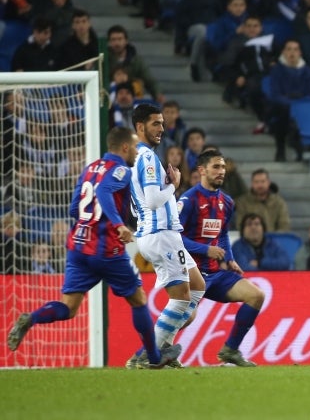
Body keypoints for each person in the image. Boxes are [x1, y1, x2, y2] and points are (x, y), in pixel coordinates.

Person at [6, 127, 181, 368]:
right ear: (125, 147)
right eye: (134, 150)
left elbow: (74, 208)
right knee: (139, 299)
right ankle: (153, 358)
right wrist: (118, 225)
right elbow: (104, 191)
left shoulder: (90, 169)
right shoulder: (121, 170)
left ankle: (31, 318)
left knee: (68, 307)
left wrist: (88, 226)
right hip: (107, 249)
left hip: (78, 247)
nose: (136, 156)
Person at [126, 104, 206, 368]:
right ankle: (149, 356)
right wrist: (174, 185)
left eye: (162, 123)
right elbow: (150, 200)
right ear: (140, 127)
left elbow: (134, 202)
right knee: (182, 297)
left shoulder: (137, 157)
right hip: (160, 233)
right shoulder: (146, 157)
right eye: (155, 123)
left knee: (197, 286)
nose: (162, 128)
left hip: (164, 233)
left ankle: (165, 347)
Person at [176, 149, 262, 366]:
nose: (221, 171)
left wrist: (230, 258)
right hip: (191, 273)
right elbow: (174, 237)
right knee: (186, 316)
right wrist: (206, 250)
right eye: (216, 166)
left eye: (223, 167)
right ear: (201, 170)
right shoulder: (188, 200)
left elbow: (222, 234)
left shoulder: (227, 202)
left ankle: (230, 350)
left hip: (215, 272)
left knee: (256, 296)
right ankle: (148, 351)